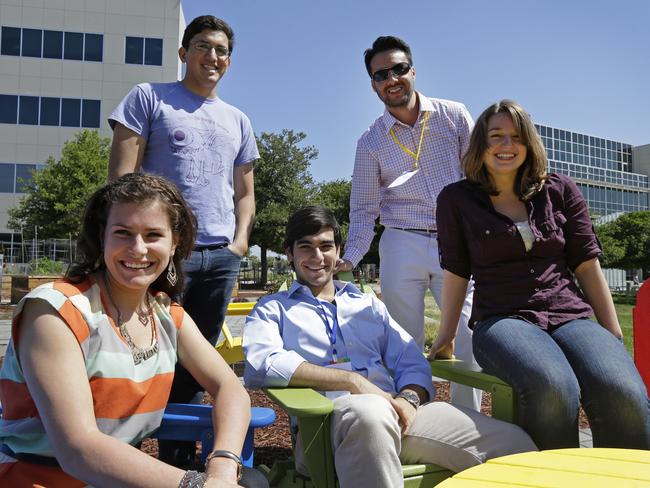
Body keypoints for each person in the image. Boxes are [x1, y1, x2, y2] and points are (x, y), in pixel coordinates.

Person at [0, 174, 267, 488]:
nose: (138, 249)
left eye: (153, 234)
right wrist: (198, 484)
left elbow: (230, 389)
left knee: (253, 480)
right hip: (42, 479)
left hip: (118, 479)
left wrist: (222, 464)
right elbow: (78, 448)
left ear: (175, 242)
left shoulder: (166, 314)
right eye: (123, 233)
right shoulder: (55, 312)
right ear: (103, 237)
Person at [243, 206, 536, 488]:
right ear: (289, 253)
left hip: (394, 412)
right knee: (370, 414)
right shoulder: (273, 309)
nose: (317, 256)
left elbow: (411, 360)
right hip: (323, 427)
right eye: (305, 247)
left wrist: (408, 399)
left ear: (339, 251)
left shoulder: (368, 306)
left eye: (326, 246)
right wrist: (353, 381)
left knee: (513, 444)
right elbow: (262, 363)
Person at [430, 99, 650, 450]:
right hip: (504, 319)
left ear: (529, 143)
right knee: (553, 385)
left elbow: (586, 263)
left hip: (568, 313)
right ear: (480, 144)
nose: (506, 145)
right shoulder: (456, 199)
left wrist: (611, 330)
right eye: (496, 136)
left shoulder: (559, 189)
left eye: (516, 137)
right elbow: (456, 270)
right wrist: (446, 335)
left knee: (621, 389)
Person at [108, 15, 258, 464]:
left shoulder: (238, 119)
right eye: (203, 46)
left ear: (228, 63)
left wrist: (240, 241)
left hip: (220, 257)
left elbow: (246, 191)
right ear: (183, 52)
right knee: (136, 351)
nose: (213, 57)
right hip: (163, 254)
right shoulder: (148, 98)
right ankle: (118, 456)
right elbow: (121, 178)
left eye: (221, 51)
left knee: (197, 363)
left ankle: (176, 460)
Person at [336, 35, 480, 410]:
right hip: (402, 241)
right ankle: (414, 418)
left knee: (469, 332)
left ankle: (468, 423)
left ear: (413, 71)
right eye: (381, 74)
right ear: (373, 84)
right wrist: (350, 257)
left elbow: (479, 180)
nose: (391, 79)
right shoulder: (370, 142)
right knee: (404, 339)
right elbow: (364, 209)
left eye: (399, 69)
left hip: (457, 242)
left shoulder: (454, 115)